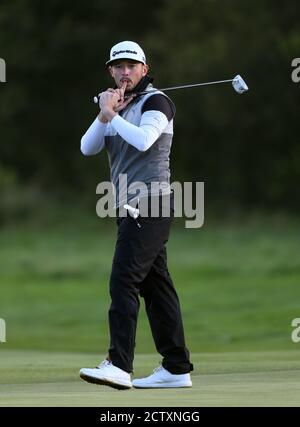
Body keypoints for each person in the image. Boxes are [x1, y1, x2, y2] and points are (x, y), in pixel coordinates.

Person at [79, 41, 193, 390]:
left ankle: (118, 365)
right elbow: (88, 147)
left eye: (132, 66)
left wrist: (112, 114)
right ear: (111, 71)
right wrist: (104, 115)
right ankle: (176, 367)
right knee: (156, 288)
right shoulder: (117, 105)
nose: (124, 72)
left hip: (151, 204)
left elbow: (144, 140)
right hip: (129, 206)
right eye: (118, 66)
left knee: (123, 281)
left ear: (144, 69)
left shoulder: (157, 102)